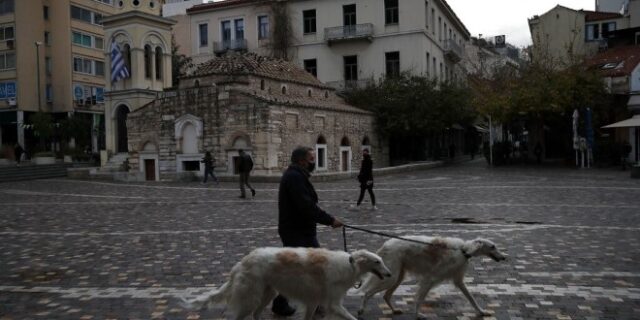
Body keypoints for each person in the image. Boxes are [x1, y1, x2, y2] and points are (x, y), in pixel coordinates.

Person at [271, 146, 344, 317]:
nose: (314, 162)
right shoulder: (294, 177)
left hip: (299, 230)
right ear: (302, 161)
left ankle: (286, 303)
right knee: (313, 266)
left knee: (298, 268)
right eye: (312, 159)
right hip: (297, 232)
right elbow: (306, 206)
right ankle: (311, 302)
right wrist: (330, 220)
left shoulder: (296, 175)